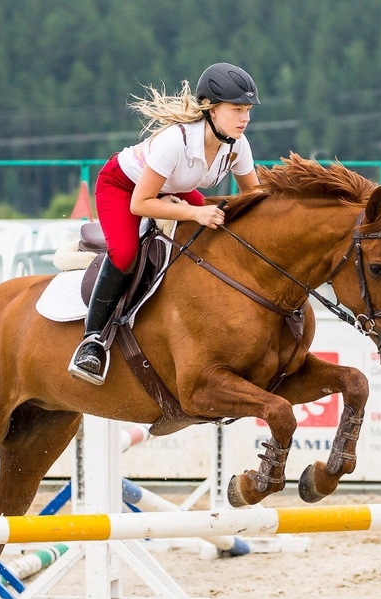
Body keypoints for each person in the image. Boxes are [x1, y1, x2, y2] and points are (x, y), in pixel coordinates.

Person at [70, 63, 262, 384]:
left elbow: (254, 196)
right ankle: (92, 342)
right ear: (212, 111)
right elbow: (141, 204)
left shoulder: (237, 146)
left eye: (248, 110)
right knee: (126, 253)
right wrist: (196, 213)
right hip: (124, 187)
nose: (246, 118)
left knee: (220, 230)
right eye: (237, 109)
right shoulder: (176, 141)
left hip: (172, 187)